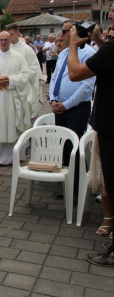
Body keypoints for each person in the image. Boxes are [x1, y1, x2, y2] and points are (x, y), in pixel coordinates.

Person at [66, 4, 114, 266]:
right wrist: (98, 40)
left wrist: (74, 44)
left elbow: (75, 73)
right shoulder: (109, 46)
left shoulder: (112, 49)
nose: (109, 15)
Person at [50, 23, 95, 205]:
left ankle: (77, 189)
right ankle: (66, 184)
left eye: (65, 31)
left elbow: (86, 87)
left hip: (76, 109)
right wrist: (53, 98)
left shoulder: (89, 54)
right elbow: (55, 77)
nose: (61, 34)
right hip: (59, 107)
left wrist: (66, 105)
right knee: (64, 147)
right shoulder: (63, 53)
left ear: (75, 33)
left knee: (75, 149)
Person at [0, 31, 31, 165]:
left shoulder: (19, 57)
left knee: (13, 123)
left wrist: (11, 81)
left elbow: (25, 75)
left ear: (10, 41)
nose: (3, 42)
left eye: (6, 40)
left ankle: (15, 156)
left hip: (13, 98)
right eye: (1, 40)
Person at [6, 23, 43, 120]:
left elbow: (34, 68)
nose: (9, 38)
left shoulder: (27, 50)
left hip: (24, 88)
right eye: (8, 35)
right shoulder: (6, 49)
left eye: (11, 34)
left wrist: (17, 77)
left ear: (18, 32)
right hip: (8, 87)